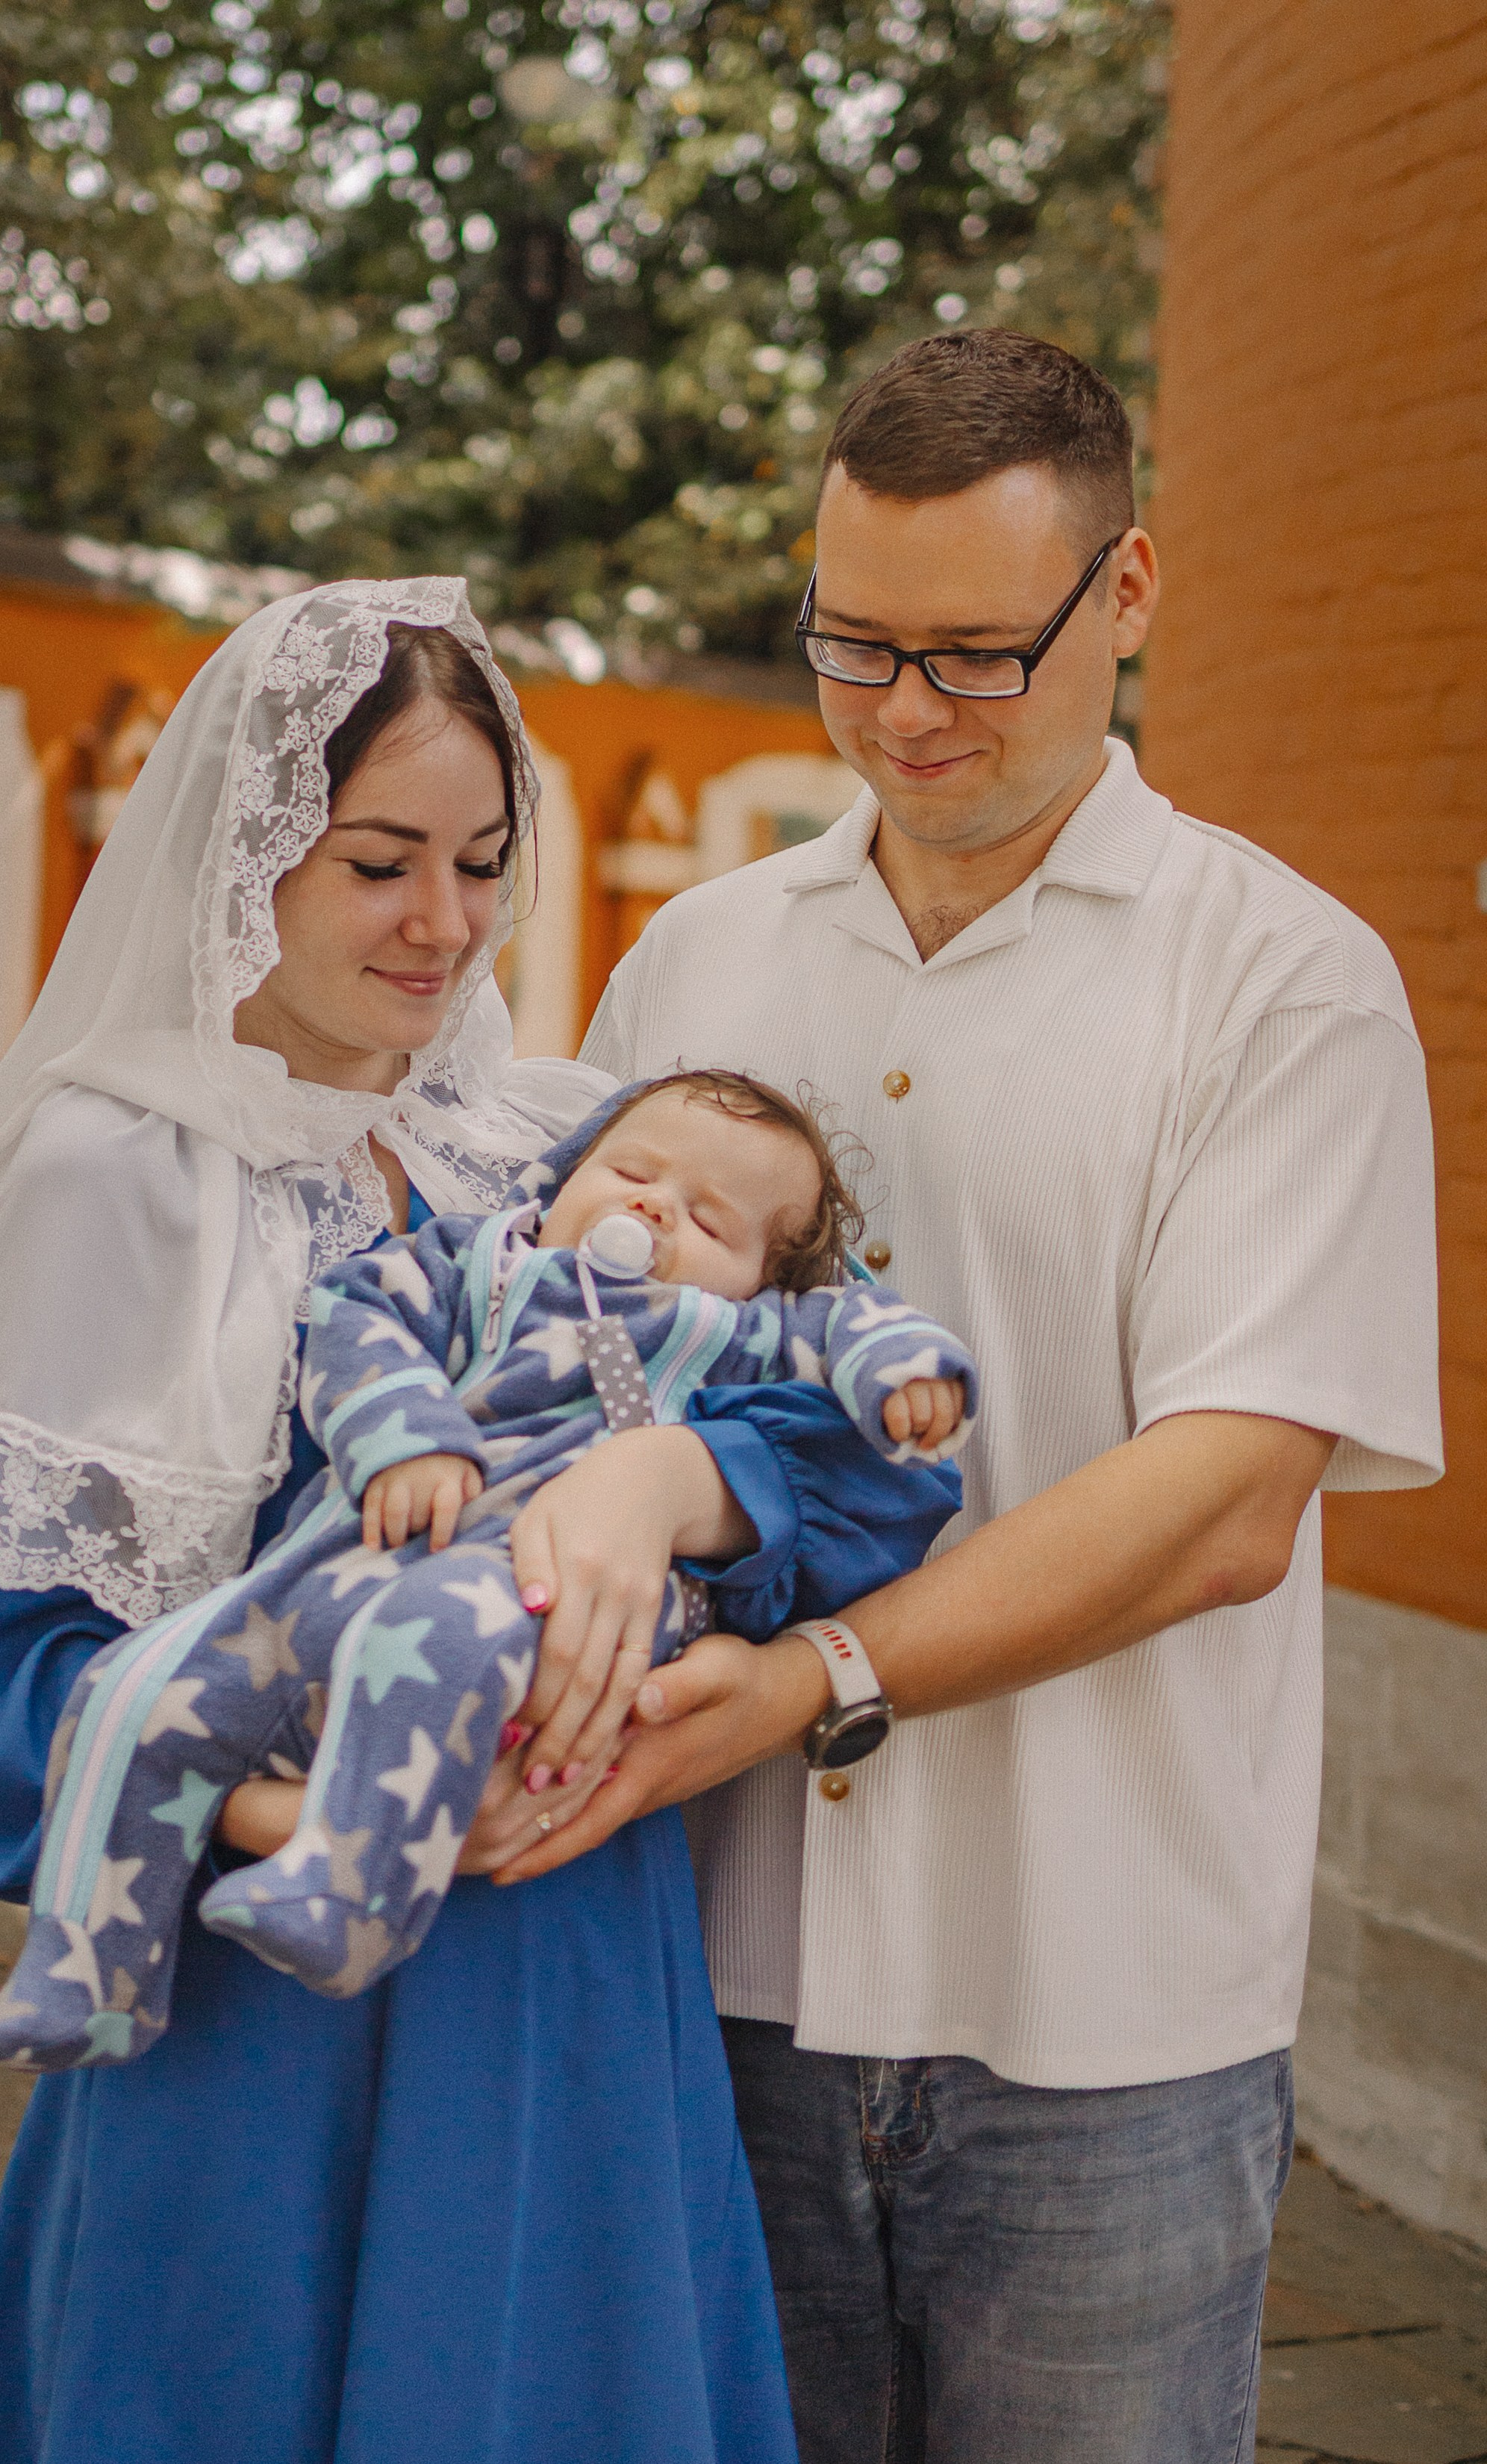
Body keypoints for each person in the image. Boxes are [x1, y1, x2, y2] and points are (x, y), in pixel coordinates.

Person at [522, 330, 1444, 2464]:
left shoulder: (1279, 976)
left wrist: (819, 1672)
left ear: (1126, 596)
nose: (904, 713)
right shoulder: (692, 961)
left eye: (971, 653)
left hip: (1103, 2019)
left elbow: (1228, 1494)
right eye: (851, 644)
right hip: (715, 1976)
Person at [0, 578, 903, 2464]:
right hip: (262, 2008)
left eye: (476, 861)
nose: (440, 926)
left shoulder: (533, 1150)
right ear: (251, 850)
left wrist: (671, 1483)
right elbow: (10, 1701)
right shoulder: (118, 1174)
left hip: (576, 1965)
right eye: (379, 861)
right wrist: (352, 1819)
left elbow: (823, 1450)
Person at [0, 1068, 974, 2067]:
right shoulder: (473, 1263)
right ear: (569, 1168)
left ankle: (350, 1891)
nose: (653, 1206)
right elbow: (357, 1317)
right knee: (136, 1691)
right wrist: (403, 1435)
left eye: (709, 1221)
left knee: (448, 1627)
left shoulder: (731, 1332)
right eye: (632, 1169)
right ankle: (88, 1974)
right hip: (349, 1573)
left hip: (545, 1590)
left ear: (760, 1277)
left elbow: (850, 1325)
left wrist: (910, 1372)